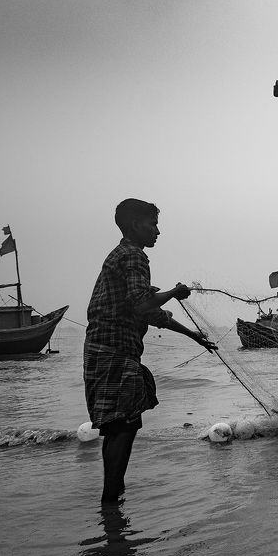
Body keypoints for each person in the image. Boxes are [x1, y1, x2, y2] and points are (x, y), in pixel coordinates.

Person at [84, 198, 217, 504]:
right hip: (114, 350)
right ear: (134, 226)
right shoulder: (133, 256)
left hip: (106, 350)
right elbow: (144, 304)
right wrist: (175, 291)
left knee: (119, 422)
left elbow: (152, 315)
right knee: (123, 424)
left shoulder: (123, 256)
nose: (158, 231)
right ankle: (110, 499)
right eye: (153, 224)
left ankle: (113, 493)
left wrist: (194, 336)